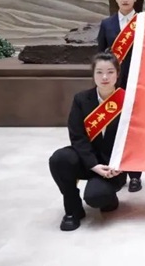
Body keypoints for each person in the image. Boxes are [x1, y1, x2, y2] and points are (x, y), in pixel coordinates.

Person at [48, 52, 128, 231]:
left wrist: (121, 163)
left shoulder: (128, 101)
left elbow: (134, 137)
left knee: (97, 198)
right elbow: (77, 136)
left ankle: (109, 197)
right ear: (93, 74)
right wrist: (93, 164)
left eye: (110, 72)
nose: (105, 77)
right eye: (99, 72)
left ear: (117, 74)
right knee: (60, 159)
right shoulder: (81, 99)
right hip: (87, 160)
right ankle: (72, 208)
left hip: (112, 166)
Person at [96, 0, 143, 192]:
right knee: (113, 128)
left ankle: (135, 175)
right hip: (113, 86)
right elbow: (100, 57)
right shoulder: (107, 24)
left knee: (135, 129)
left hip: (138, 83)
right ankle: (115, 169)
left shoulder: (143, 22)